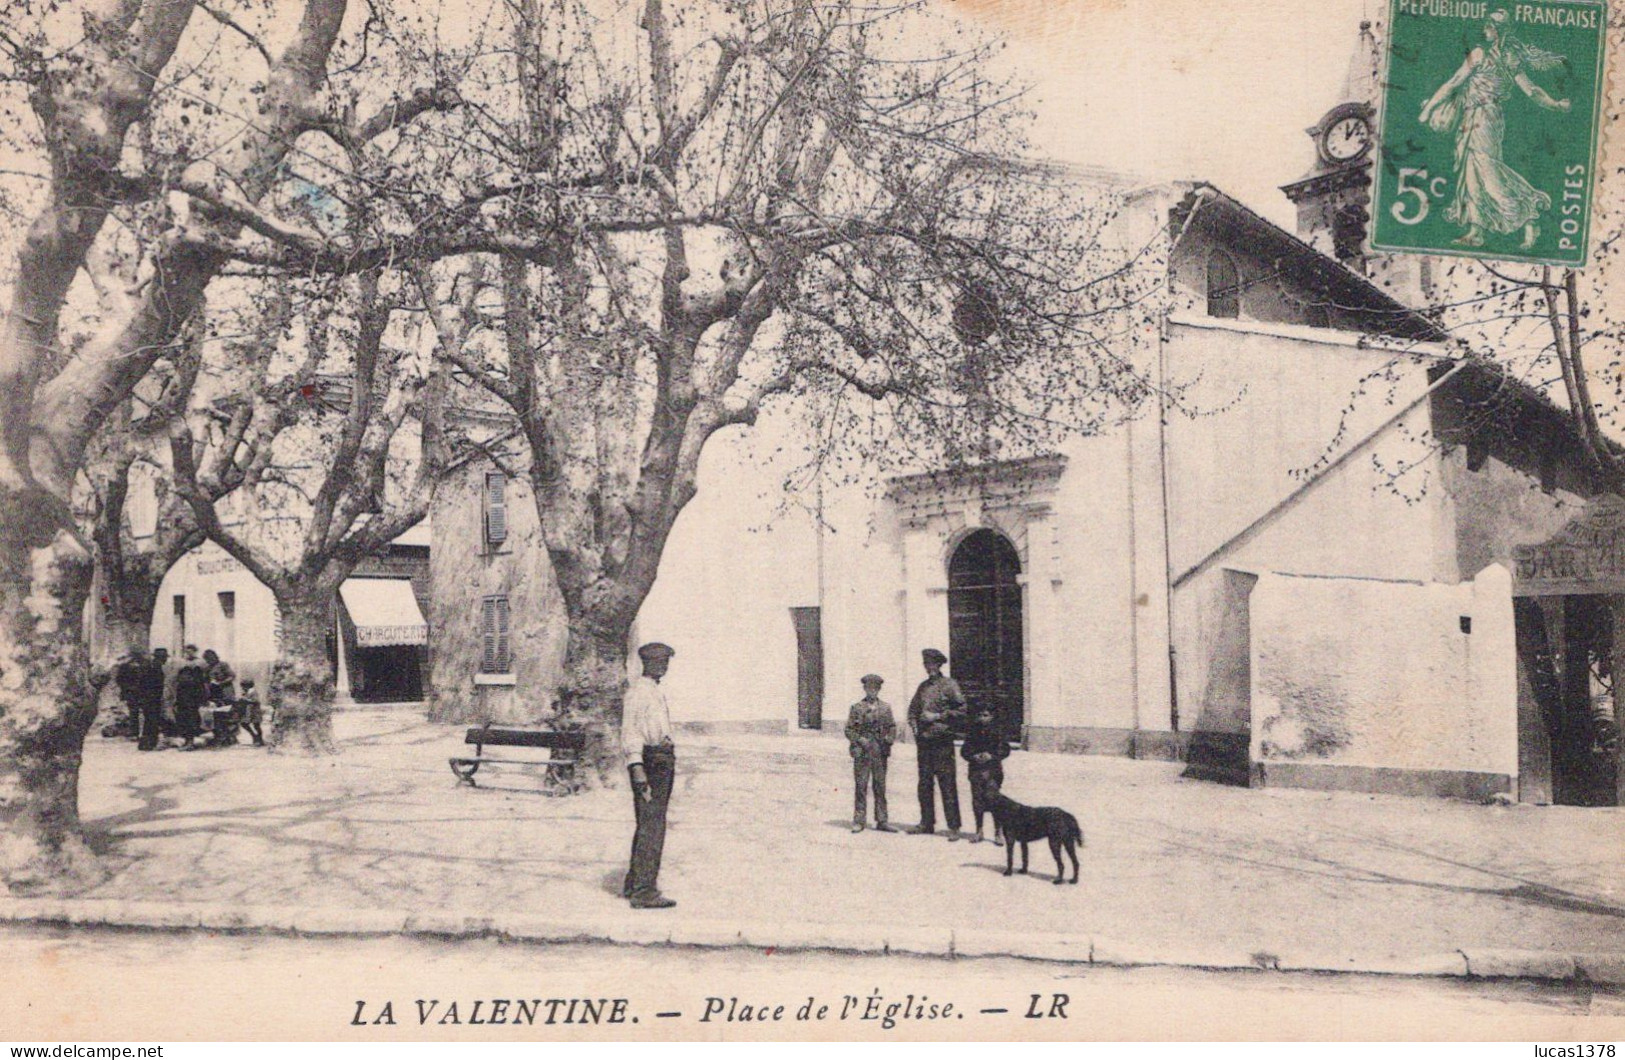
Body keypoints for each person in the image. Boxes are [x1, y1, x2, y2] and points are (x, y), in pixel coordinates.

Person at [1418, 8, 1571, 250]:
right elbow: (1531, 91)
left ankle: (1529, 215)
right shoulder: (1501, 57)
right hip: (1473, 117)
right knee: (1472, 173)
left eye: (1489, 26)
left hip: (1485, 118)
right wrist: (1556, 105)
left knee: (1488, 173)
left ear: (1498, 30)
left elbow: (1456, 82)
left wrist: (1428, 110)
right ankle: (1476, 231)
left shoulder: (1490, 56)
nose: (1485, 30)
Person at [621, 642, 678, 910]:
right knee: (651, 825)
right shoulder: (638, 693)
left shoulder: (653, 690)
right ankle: (644, 892)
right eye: (658, 662)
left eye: (665, 662)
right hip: (650, 761)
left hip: (661, 759)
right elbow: (631, 732)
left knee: (651, 823)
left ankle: (634, 882)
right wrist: (637, 768)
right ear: (647, 663)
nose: (663, 667)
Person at [906, 647, 966, 840]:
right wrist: (915, 729)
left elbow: (962, 710)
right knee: (924, 784)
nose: (929, 667)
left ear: (939, 665)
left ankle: (954, 827)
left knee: (947, 784)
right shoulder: (922, 687)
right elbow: (912, 711)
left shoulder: (950, 685)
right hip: (924, 742)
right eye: (926, 664)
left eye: (932, 664)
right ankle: (927, 823)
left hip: (942, 741)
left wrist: (938, 716)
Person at [845, 674, 897, 834]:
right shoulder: (857, 708)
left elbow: (892, 726)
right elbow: (848, 730)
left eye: (875, 689)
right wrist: (860, 739)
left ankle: (882, 820)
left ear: (879, 690)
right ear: (865, 689)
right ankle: (859, 821)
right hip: (863, 752)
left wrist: (889, 739)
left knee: (880, 786)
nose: (872, 691)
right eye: (869, 688)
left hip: (880, 751)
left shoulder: (885, 708)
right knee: (861, 786)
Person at [961, 706, 1011, 844]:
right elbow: (964, 750)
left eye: (986, 715)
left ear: (992, 717)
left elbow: (1005, 749)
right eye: (980, 715)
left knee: (994, 799)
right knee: (977, 800)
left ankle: (998, 832)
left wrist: (992, 756)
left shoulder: (998, 731)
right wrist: (973, 756)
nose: (982, 718)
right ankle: (979, 830)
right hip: (976, 770)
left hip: (993, 771)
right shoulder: (972, 732)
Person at [172, 644, 210, 751]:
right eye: (186, 651)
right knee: (182, 716)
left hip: (194, 693)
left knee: (192, 716)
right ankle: (186, 740)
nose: (188, 653)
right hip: (182, 692)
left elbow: (205, 680)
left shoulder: (201, 663)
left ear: (195, 651)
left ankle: (190, 742)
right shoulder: (181, 662)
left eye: (191, 651)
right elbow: (176, 678)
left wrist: (204, 695)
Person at [134, 650, 167, 752]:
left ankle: (146, 743)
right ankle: (149, 743)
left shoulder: (151, 665)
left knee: (149, 721)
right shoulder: (155, 667)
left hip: (148, 698)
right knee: (152, 721)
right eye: (164, 657)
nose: (165, 659)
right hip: (152, 698)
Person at [238, 679, 265, 747]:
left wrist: (245, 700)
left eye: (243, 686)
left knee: (256, 725)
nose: (242, 688)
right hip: (249, 711)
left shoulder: (253, 691)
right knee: (244, 723)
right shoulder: (246, 692)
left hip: (255, 711)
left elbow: (255, 701)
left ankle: (259, 739)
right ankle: (254, 736)